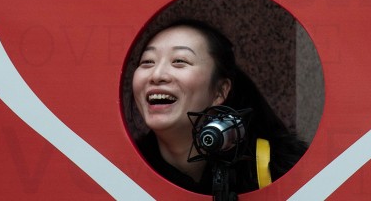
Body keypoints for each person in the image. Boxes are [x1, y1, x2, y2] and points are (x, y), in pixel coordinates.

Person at [131, 18, 308, 194]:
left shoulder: (276, 167)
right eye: (147, 62)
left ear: (220, 92)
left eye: (179, 61)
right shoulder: (123, 172)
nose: (157, 74)